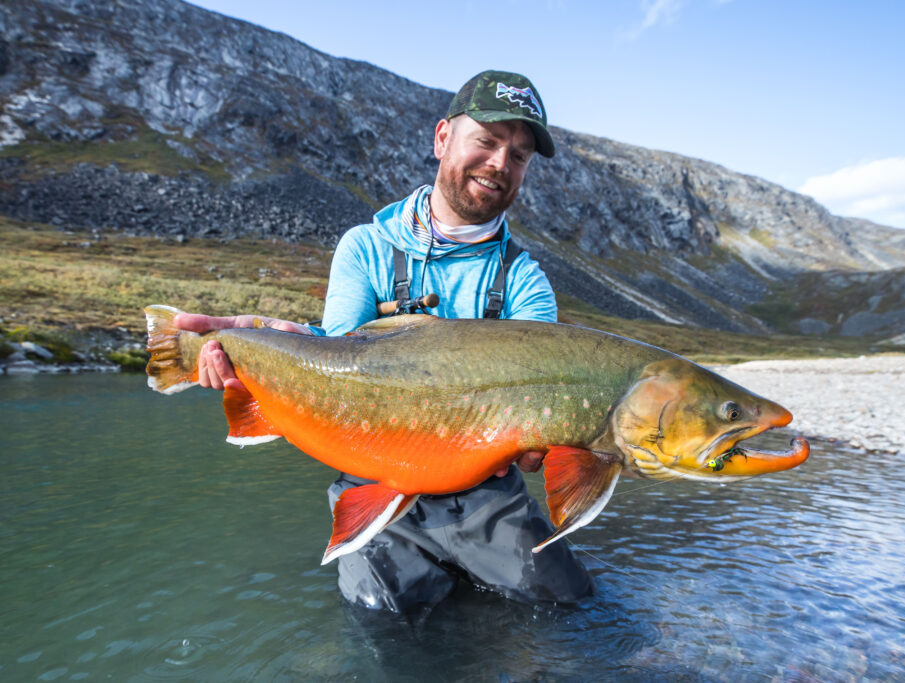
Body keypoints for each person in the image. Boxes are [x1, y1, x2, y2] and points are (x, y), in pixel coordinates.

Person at [177, 70, 593, 612]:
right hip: (375, 479)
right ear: (443, 138)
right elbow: (338, 355)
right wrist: (264, 342)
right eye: (486, 142)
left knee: (570, 610)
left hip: (488, 501)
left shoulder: (525, 281)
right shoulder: (366, 248)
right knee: (386, 638)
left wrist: (557, 446)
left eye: (518, 155)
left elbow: (540, 437)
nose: (499, 164)